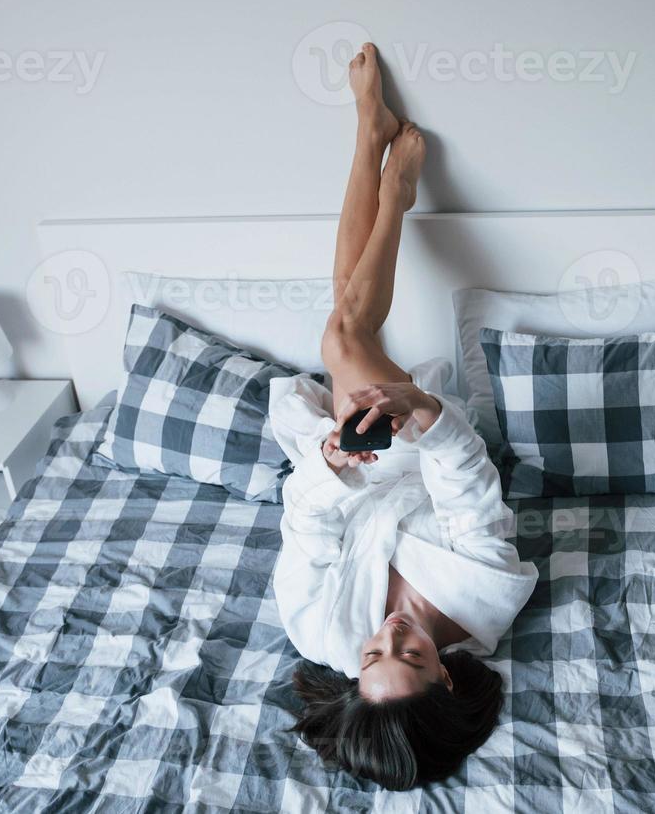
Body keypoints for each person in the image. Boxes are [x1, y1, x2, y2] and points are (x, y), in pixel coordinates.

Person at [269, 43, 538, 791]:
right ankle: (392, 180)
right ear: (448, 681)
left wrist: (329, 466)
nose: (386, 637)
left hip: (342, 471)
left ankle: (375, 148)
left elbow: (305, 529)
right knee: (346, 335)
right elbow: (468, 487)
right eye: (411, 656)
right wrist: (423, 411)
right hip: (421, 452)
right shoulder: (484, 594)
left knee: (346, 323)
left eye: (371, 658)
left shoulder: (318, 631)